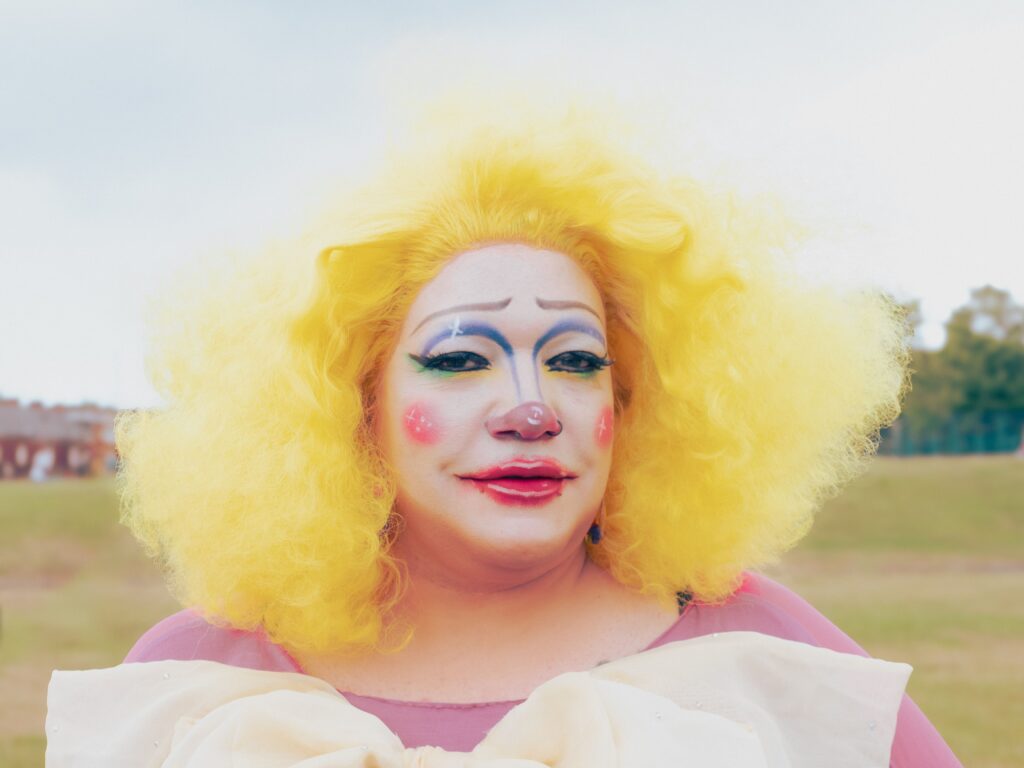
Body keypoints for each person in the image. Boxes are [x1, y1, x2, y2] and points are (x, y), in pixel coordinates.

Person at [50, 104, 961, 766]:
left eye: (573, 361)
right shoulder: (193, 679)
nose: (531, 409)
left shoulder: (767, 652)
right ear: (352, 402)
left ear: (635, 397)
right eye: (459, 360)